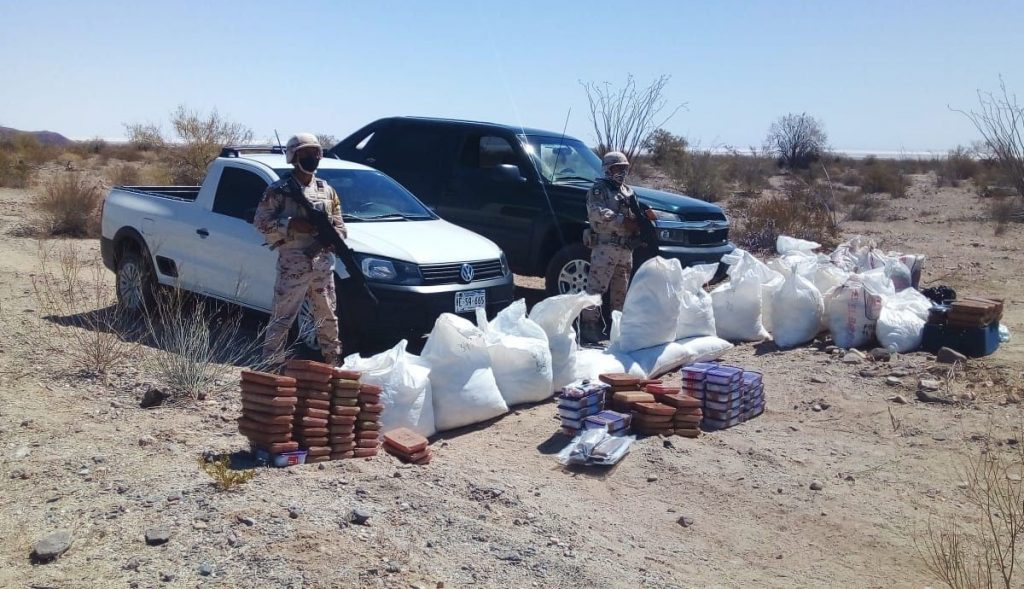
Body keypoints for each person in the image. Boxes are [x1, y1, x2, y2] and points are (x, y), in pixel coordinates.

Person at [254, 133, 346, 365]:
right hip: (293, 263)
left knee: (327, 317)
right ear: (294, 157)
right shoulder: (279, 190)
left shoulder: (327, 191)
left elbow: (340, 227)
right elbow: (261, 223)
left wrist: (331, 238)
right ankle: (271, 364)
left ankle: (332, 362)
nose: (311, 157)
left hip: (322, 265)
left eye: (314, 153)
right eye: (304, 153)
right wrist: (290, 224)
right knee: (282, 317)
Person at [580, 150, 641, 344]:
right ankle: (588, 327)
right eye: (617, 168)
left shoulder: (627, 191)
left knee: (620, 292)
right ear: (607, 169)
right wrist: (623, 221)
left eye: (624, 168)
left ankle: (616, 330)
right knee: (596, 290)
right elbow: (597, 213)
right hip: (606, 247)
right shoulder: (599, 190)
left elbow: (636, 214)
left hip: (625, 249)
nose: (621, 172)